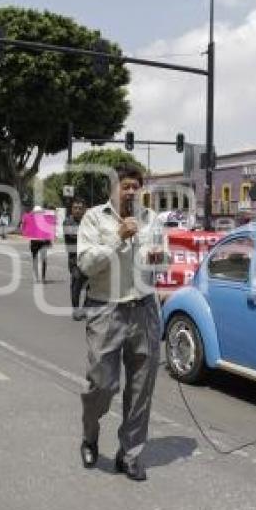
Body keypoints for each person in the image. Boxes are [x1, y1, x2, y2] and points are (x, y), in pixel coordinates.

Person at [77, 163, 164, 481]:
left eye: (135, 186)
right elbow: (86, 265)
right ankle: (90, 435)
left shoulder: (152, 220)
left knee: (141, 389)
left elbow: (160, 262)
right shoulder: (93, 218)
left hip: (144, 310)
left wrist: (154, 258)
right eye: (125, 186)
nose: (131, 191)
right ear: (112, 188)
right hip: (106, 311)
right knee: (102, 385)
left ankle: (130, 454)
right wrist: (118, 237)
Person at [64, 197, 88, 321]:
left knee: (91, 285)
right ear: (71, 209)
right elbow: (74, 236)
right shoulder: (68, 222)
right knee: (76, 284)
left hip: (88, 258)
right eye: (75, 208)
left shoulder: (87, 222)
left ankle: (84, 309)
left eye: (80, 208)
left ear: (84, 209)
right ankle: (75, 309)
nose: (78, 210)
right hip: (75, 260)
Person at [28, 205, 53, 284]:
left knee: (43, 260)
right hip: (34, 243)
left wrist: (49, 241)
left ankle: (43, 278)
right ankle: (36, 277)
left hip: (43, 243)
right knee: (35, 259)